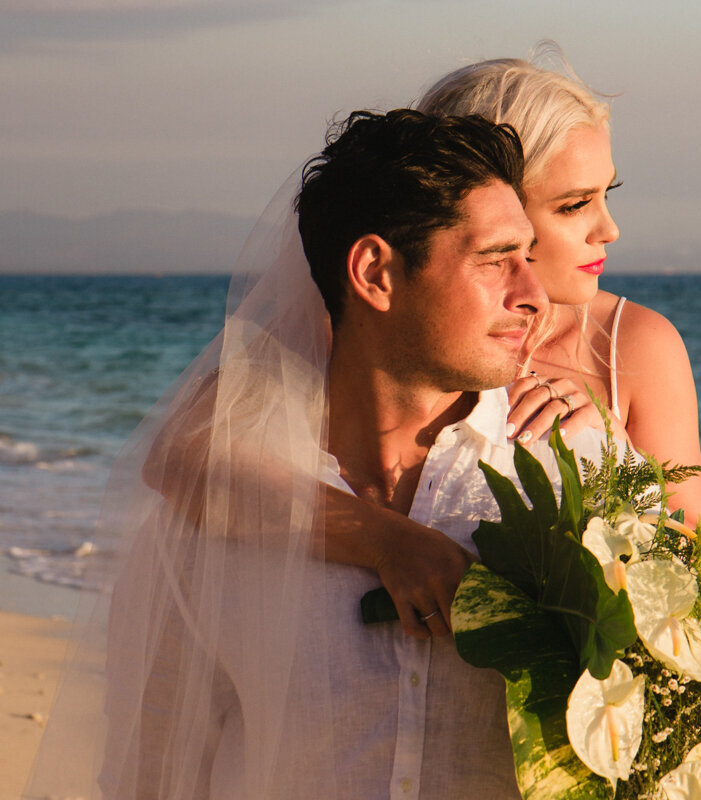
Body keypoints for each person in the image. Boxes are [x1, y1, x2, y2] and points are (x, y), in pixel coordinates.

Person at [27, 109, 592, 799]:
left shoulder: (580, 478)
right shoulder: (208, 517)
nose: (534, 294)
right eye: (495, 259)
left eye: (530, 256)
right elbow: (153, 767)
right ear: (376, 272)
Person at [316, 49, 701, 635]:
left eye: (608, 194)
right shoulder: (364, 332)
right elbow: (193, 465)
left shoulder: (630, 345)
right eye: (574, 204)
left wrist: (611, 450)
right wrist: (386, 542)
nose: (609, 229)